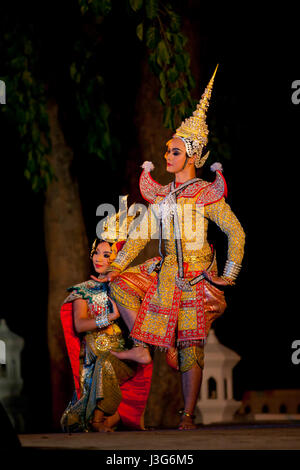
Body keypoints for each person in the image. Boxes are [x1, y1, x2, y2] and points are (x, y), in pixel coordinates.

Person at [98, 65, 245, 430]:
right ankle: (143, 348)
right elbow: (140, 235)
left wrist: (230, 272)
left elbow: (236, 233)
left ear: (191, 156)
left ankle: (187, 415)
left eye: (174, 151)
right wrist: (118, 264)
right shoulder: (163, 196)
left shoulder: (205, 195)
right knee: (119, 285)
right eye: (167, 150)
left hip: (195, 278)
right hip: (165, 276)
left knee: (190, 347)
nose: (167, 155)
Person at [60, 238, 153, 432]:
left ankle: (98, 421)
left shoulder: (123, 287)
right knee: (75, 423)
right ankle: (111, 419)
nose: (98, 259)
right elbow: (80, 325)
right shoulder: (83, 290)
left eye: (106, 254)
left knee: (106, 363)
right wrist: (110, 317)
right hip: (90, 360)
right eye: (96, 253)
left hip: (122, 358)